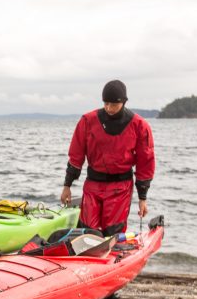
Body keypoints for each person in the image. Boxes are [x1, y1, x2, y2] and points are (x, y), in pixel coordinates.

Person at [60, 80, 155, 237]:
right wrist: (67, 186)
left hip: (120, 188)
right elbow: (76, 155)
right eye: (106, 103)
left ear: (124, 102)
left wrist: (142, 198)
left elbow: (146, 163)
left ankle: (113, 256)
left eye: (114, 104)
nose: (109, 108)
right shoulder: (87, 121)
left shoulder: (139, 125)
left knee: (112, 234)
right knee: (87, 232)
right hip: (93, 185)